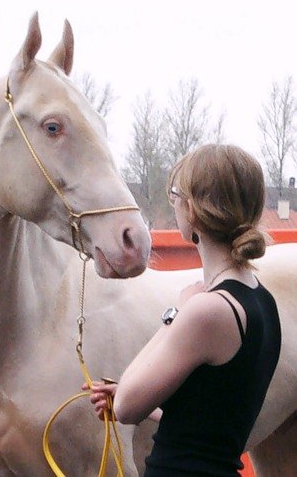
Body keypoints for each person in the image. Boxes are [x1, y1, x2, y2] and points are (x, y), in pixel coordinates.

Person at [83, 143, 281, 476]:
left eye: (175, 196)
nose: (173, 204)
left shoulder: (207, 310)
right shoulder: (262, 301)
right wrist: (144, 403)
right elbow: (210, 424)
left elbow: (129, 406)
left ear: (193, 212)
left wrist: (175, 313)